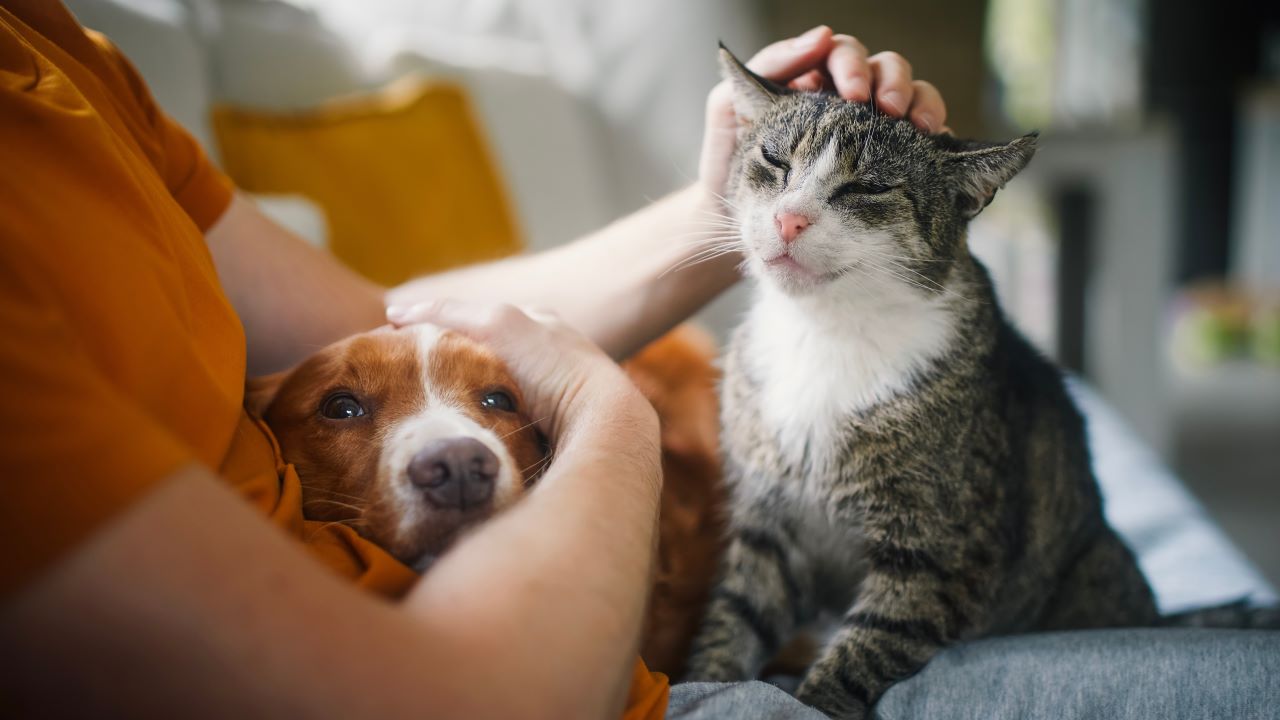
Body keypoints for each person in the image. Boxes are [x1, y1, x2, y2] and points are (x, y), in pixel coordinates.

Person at [0, 2, 948, 717]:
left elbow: (388, 327)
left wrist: (719, 211)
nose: (454, 452)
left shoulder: (63, 57)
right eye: (339, 411)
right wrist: (606, 412)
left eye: (497, 402)